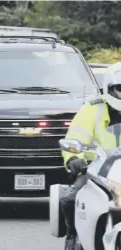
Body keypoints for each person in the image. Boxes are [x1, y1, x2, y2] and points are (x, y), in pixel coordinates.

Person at [61, 62, 121, 250]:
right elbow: (75, 137)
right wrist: (73, 159)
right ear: (109, 89)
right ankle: (73, 235)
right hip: (101, 167)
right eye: (120, 89)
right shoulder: (93, 108)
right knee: (70, 197)